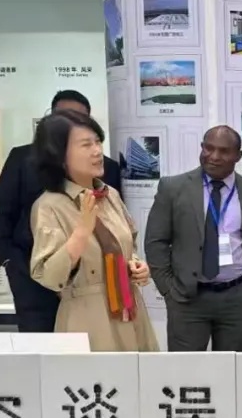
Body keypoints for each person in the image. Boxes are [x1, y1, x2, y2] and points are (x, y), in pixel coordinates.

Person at [0, 90, 121, 333]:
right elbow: (2, 211)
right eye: (63, 117)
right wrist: (8, 260)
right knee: (41, 341)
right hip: (31, 272)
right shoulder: (23, 159)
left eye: (79, 119)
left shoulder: (107, 170)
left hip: (91, 282)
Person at [144, 125, 242, 352]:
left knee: (232, 369)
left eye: (224, 151)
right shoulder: (173, 188)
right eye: (208, 148)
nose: (214, 156)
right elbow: (155, 241)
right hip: (188, 298)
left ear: (238, 156)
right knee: (186, 370)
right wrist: (168, 289)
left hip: (240, 298)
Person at [29, 111, 157, 352]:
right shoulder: (49, 206)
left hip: (130, 310)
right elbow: (49, 277)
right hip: (87, 316)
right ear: (59, 154)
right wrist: (81, 232)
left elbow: (127, 244)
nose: (97, 151)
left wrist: (136, 265)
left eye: (98, 142)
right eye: (86, 145)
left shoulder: (110, 195)